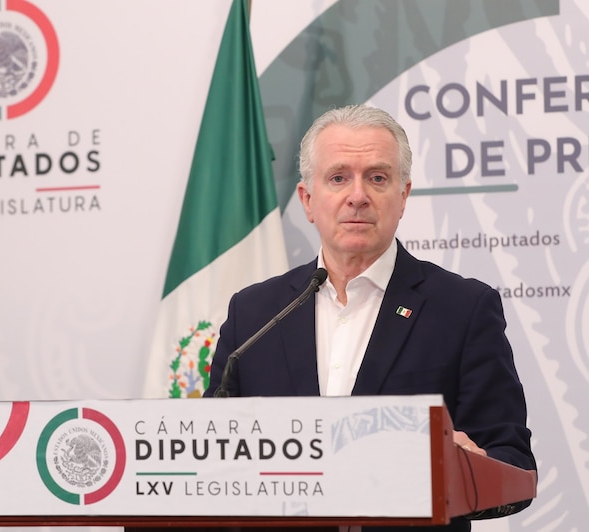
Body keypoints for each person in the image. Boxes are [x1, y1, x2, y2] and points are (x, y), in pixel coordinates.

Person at [204, 104, 535, 531]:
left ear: (403, 196)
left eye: (377, 178)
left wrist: (468, 468)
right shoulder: (253, 314)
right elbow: (211, 458)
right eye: (338, 177)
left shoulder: (463, 308)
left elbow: (512, 460)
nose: (357, 195)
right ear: (308, 200)